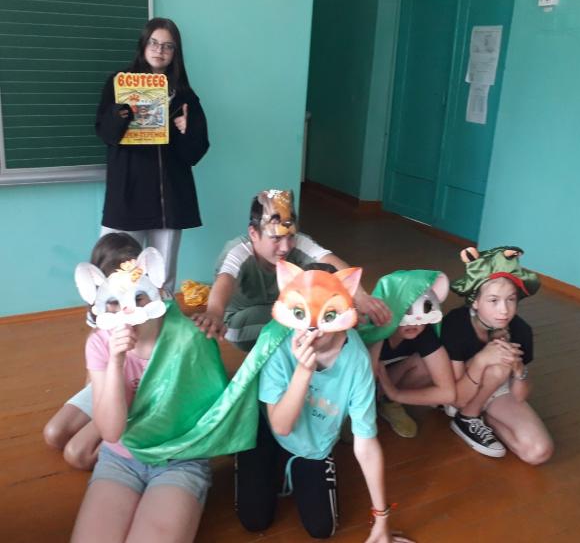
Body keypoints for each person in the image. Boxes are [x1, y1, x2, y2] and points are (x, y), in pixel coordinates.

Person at [235, 261, 413, 542]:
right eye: (303, 312)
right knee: (255, 520)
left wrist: (382, 517)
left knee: (322, 529)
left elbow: (366, 442)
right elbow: (280, 425)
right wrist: (303, 371)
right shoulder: (278, 342)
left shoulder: (357, 361)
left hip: (313, 444)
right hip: (269, 431)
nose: (312, 328)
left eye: (327, 314)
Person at [70, 239, 215, 543]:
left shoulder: (186, 336)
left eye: (139, 296)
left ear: (155, 286)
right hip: (121, 458)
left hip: (179, 459)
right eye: (113, 301)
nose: (128, 308)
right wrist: (116, 361)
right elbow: (110, 432)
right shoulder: (100, 343)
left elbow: (209, 405)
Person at [195, 189, 392, 351]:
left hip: (289, 308)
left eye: (290, 237)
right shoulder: (238, 250)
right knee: (314, 323)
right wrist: (214, 312)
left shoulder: (298, 242)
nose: (285, 247)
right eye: (276, 238)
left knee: (340, 312)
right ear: (253, 233)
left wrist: (361, 297)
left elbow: (333, 262)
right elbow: (225, 279)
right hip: (243, 320)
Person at [96, 17, 210, 294]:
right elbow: (105, 132)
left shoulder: (185, 96)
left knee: (162, 281)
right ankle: (114, 318)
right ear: (143, 45)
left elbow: (195, 152)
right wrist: (122, 112)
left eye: (168, 46)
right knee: (114, 272)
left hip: (168, 200)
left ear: (175, 53)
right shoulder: (119, 83)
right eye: (154, 43)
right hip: (127, 194)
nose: (160, 50)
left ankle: (161, 319)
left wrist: (186, 131)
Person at [441, 246, 554, 463]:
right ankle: (467, 418)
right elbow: (457, 397)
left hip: (497, 391)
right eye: (493, 300)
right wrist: (482, 359)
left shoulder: (521, 330)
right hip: (463, 390)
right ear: (475, 301)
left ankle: (487, 416)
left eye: (510, 299)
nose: (504, 310)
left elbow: (519, 396)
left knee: (538, 452)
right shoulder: (456, 323)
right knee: (499, 362)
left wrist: (519, 370)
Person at [42, 233, 142, 470]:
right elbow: (96, 346)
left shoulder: (149, 305)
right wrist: (96, 388)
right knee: (53, 434)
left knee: (78, 454)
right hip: (108, 381)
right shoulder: (98, 310)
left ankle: (135, 448)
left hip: (138, 388)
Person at [358, 270, 456, 439]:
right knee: (367, 374)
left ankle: (389, 403)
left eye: (423, 309)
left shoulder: (424, 332)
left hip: (390, 384)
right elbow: (363, 383)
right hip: (365, 390)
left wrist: (395, 394)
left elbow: (448, 393)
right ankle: (355, 414)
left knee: (424, 364)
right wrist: (378, 336)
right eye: (404, 310)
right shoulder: (373, 331)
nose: (414, 322)